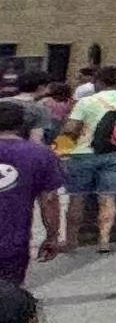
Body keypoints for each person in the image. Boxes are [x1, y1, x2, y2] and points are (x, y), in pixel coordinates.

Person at [0, 101, 57, 287]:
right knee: (10, 299)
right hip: (13, 243)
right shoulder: (39, 155)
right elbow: (48, 200)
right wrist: (52, 236)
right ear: (23, 124)